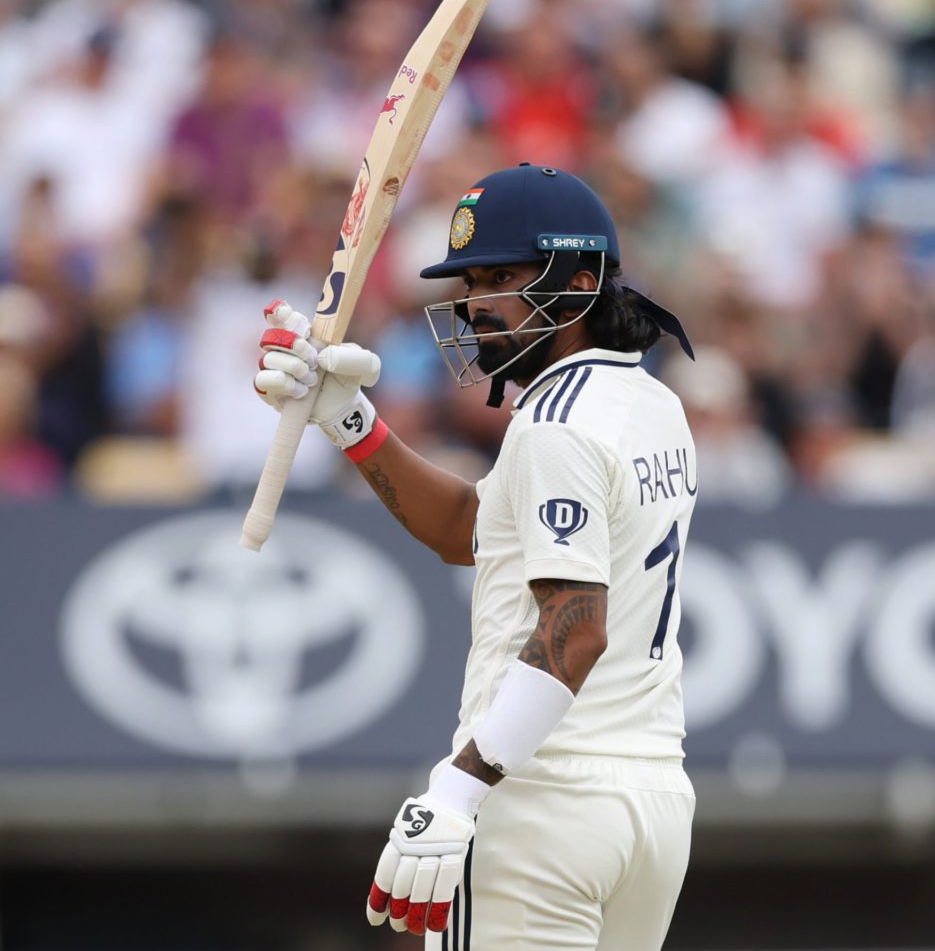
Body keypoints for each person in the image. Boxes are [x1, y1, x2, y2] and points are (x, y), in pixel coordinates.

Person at [254, 164, 699, 949]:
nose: (475, 305)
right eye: (471, 281)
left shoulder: (555, 422)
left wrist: (458, 787)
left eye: (501, 277)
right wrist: (348, 419)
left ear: (581, 278)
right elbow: (471, 529)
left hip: (539, 797)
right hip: (653, 802)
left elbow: (575, 629)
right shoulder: (652, 403)